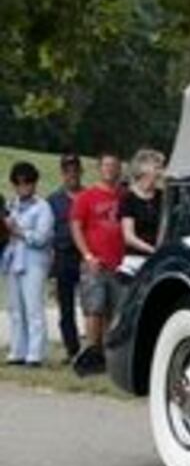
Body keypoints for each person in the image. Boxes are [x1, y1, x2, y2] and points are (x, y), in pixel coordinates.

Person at [69, 153, 126, 374]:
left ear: (120, 169)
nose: (110, 169)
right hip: (95, 262)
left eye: (114, 165)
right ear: (98, 168)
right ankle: (92, 355)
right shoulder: (86, 196)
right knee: (94, 309)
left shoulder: (124, 196)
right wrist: (87, 255)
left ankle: (110, 357)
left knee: (116, 310)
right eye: (106, 165)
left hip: (119, 263)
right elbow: (76, 227)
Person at [4, 161, 55, 367]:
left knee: (33, 308)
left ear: (34, 183)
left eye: (27, 183)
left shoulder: (43, 207)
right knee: (15, 308)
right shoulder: (11, 205)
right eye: (19, 183)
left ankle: (35, 353)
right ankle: (17, 350)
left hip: (34, 262)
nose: (23, 187)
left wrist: (19, 232)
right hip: (12, 260)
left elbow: (42, 238)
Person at [46, 152, 85, 357]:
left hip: (86, 255)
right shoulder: (53, 200)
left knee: (92, 305)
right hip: (63, 256)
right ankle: (72, 349)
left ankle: (95, 348)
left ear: (81, 171)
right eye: (67, 170)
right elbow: (48, 232)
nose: (71, 174)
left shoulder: (89, 196)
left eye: (75, 170)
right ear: (62, 173)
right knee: (66, 306)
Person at [120, 148, 166, 258]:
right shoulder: (128, 198)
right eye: (157, 168)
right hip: (135, 258)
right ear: (144, 169)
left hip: (157, 258)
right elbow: (128, 237)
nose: (161, 172)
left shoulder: (162, 196)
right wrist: (152, 250)